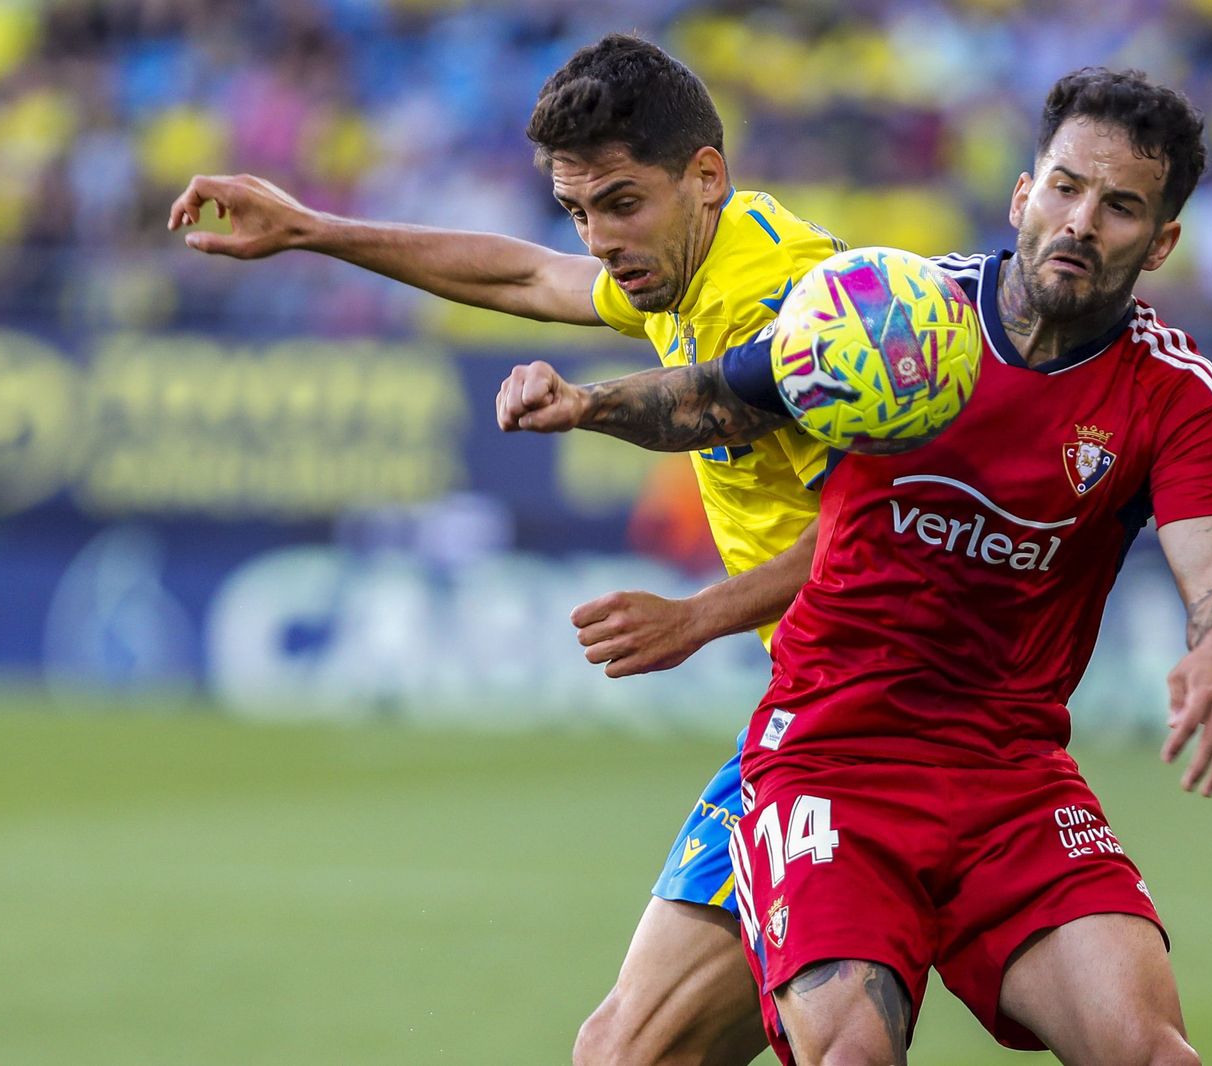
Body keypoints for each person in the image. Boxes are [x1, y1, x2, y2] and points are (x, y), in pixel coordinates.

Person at [495, 68, 1212, 1065]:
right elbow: (719, 396)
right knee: (841, 1054)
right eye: (1067, 188)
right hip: (833, 760)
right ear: (1022, 193)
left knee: (1151, 1053)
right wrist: (587, 404)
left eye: (1120, 207)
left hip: (1010, 776)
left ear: (1159, 241)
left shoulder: (1173, 392)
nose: (1082, 222)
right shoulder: (892, 309)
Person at [169, 33, 846, 1066]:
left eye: (619, 202)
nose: (599, 237)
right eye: (579, 209)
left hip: (872, 708)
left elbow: (889, 526)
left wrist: (697, 615)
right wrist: (309, 228)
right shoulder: (708, 248)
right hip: (836, 696)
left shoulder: (776, 302)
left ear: (703, 174)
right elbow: (529, 276)